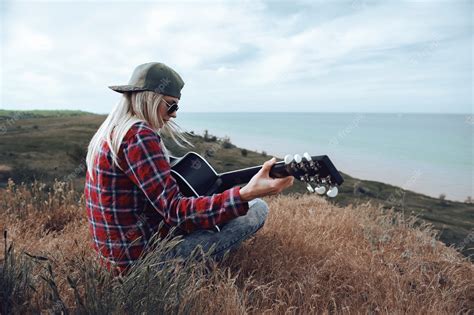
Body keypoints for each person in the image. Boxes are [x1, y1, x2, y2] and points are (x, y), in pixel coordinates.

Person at [85, 62, 294, 273]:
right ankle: (196, 270)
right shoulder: (140, 136)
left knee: (222, 211)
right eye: (171, 105)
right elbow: (175, 211)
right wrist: (245, 194)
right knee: (257, 207)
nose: (174, 114)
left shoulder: (113, 131)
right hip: (143, 265)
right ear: (150, 98)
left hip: (114, 257)